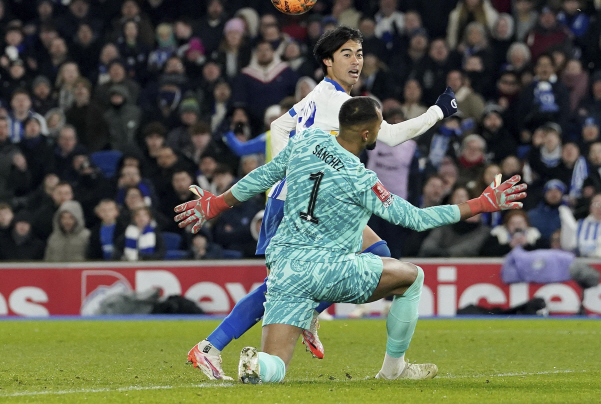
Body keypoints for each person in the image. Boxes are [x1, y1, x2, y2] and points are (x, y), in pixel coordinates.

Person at [174, 96, 527, 383]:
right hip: (331, 270)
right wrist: (481, 203)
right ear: (368, 134)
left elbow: (262, 176)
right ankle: (394, 369)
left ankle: (257, 365)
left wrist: (216, 203)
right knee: (411, 277)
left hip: (285, 267)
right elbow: (416, 219)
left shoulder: (306, 142)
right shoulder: (362, 179)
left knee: (276, 366)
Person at [182, 25, 460, 379]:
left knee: (378, 254)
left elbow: (279, 127)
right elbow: (390, 136)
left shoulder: (319, 95)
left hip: (311, 197)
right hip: (302, 202)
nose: (356, 61)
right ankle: (211, 346)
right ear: (328, 61)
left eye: (359, 54)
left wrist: (289, 172)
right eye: (346, 54)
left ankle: (316, 315)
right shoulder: (337, 102)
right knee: (280, 288)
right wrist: (438, 112)